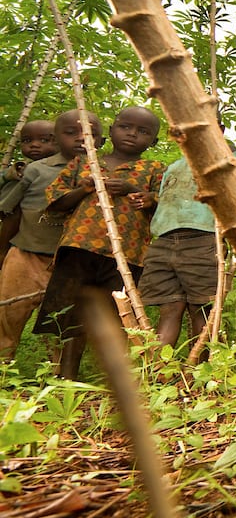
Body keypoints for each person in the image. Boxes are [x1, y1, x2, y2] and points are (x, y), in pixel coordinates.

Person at [34, 106, 165, 379]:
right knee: (70, 316)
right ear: (112, 129)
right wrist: (85, 187)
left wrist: (140, 194)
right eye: (125, 127)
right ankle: (66, 377)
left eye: (143, 132)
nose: (132, 134)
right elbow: (55, 202)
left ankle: (114, 382)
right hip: (78, 248)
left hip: (126, 256)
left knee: (117, 318)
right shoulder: (83, 163)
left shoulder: (154, 169)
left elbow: (166, 206)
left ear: (153, 141)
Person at [0, 111, 100, 361]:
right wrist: (2, 251)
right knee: (9, 314)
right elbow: (12, 212)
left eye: (88, 134)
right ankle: (3, 368)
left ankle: (60, 376)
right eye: (70, 133)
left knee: (66, 321)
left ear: (101, 140)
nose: (80, 139)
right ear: (57, 138)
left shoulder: (105, 172)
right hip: (27, 254)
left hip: (72, 261)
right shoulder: (35, 170)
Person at [140, 134, 236, 354]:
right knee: (169, 306)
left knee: (202, 308)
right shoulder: (174, 167)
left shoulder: (230, 158)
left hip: (203, 239)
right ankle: (159, 370)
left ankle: (199, 369)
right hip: (164, 241)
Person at [0, 120, 57, 260]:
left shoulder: (69, 168)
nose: (34, 145)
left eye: (44, 140)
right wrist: (9, 175)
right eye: (26, 140)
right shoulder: (21, 169)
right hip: (15, 219)